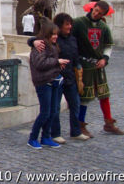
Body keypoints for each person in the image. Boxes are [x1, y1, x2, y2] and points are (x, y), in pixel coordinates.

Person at [29, 13, 90, 144]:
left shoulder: (72, 39)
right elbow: (39, 50)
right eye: (67, 24)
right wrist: (32, 41)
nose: (70, 26)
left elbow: (76, 56)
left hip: (70, 77)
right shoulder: (49, 42)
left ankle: (76, 131)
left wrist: (79, 70)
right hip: (55, 78)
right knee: (53, 109)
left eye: (70, 24)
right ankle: (53, 134)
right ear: (59, 26)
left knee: (75, 105)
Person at [72, 1, 124, 137]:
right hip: (84, 66)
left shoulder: (104, 27)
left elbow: (108, 45)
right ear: (92, 8)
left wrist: (105, 59)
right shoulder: (78, 23)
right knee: (85, 96)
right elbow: (69, 39)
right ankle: (80, 124)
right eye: (95, 10)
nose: (96, 14)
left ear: (103, 15)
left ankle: (109, 123)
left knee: (104, 94)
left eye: (100, 13)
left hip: (99, 66)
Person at [28, 19, 69, 149]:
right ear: (46, 34)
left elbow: (50, 62)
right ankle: (32, 138)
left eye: (56, 34)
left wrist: (58, 65)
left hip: (54, 81)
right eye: (53, 34)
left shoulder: (52, 45)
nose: (55, 36)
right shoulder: (40, 46)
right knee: (45, 112)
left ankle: (46, 137)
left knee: (52, 111)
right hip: (43, 82)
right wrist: (57, 62)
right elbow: (40, 64)